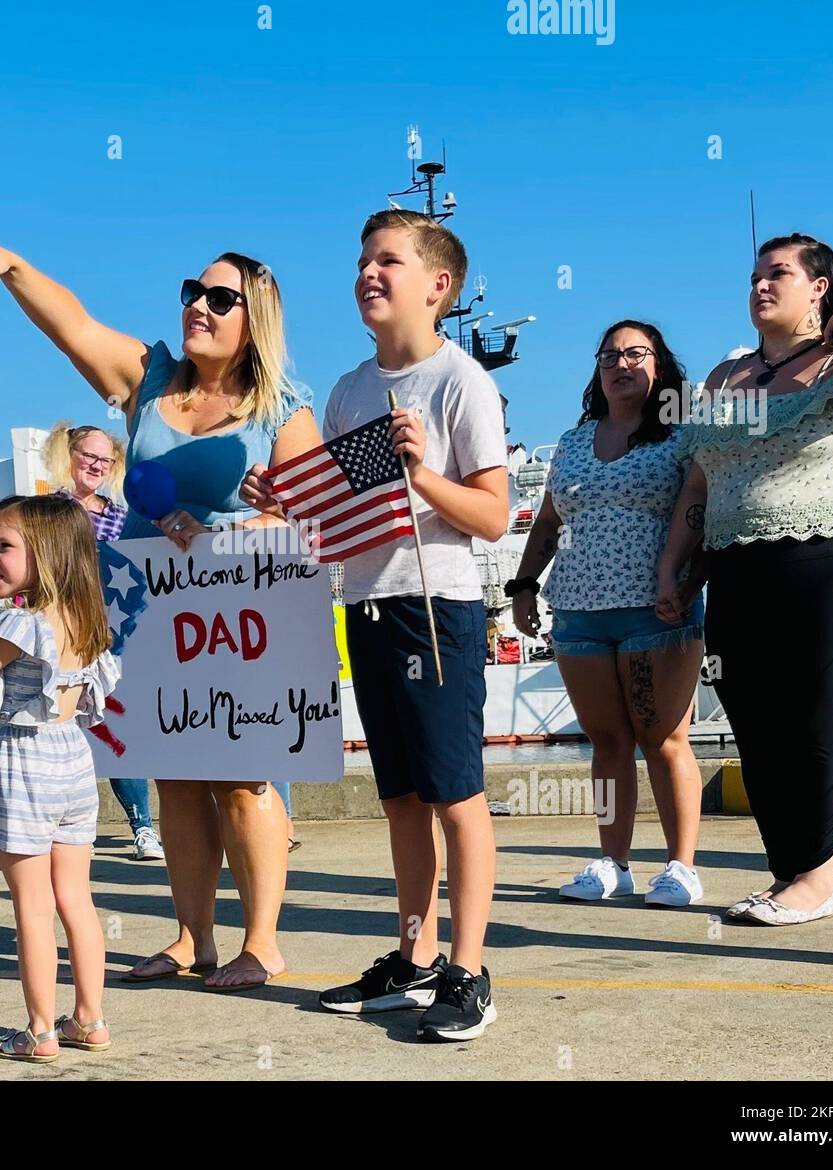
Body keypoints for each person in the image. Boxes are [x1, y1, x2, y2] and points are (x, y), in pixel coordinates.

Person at [0, 210, 323, 990]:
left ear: (255, 321)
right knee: (176, 776)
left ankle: (262, 942)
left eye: (220, 299)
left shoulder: (283, 406)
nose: (198, 305)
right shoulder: (150, 380)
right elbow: (74, 324)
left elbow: (316, 518)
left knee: (244, 779)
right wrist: (9, 263)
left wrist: (264, 515)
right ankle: (193, 939)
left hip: (243, 610)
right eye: (193, 291)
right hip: (154, 604)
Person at [248, 210, 508, 1040]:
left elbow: (495, 515)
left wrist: (422, 473)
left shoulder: (462, 382)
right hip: (363, 604)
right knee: (399, 797)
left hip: (436, 609)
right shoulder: (350, 391)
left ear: (439, 286)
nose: (367, 272)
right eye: (362, 259)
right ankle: (415, 956)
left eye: (387, 260)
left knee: (456, 796)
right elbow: (335, 513)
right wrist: (279, 502)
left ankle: (469, 969)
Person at [658, 233, 833, 926]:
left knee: (814, 710)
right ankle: (789, 875)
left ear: (821, 286)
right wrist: (673, 564)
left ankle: (818, 880)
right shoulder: (725, 378)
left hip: (832, 555)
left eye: (779, 274)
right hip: (737, 561)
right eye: (755, 275)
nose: (760, 285)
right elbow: (701, 477)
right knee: (754, 716)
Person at [510, 322, 707, 907]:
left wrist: (689, 580)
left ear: (660, 366)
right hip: (578, 611)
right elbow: (548, 522)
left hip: (658, 609)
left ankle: (681, 867)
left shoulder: (684, 437)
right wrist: (523, 584)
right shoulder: (572, 443)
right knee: (607, 742)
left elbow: (703, 514)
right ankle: (613, 861)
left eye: (635, 353)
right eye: (609, 355)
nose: (620, 364)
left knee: (665, 737)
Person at [0, 494, 118, 1061]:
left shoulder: (22, 621)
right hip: (73, 755)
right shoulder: (86, 616)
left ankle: (40, 1030)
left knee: (32, 906)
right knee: (76, 898)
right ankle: (89, 1019)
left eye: (3, 546)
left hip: (25, 759)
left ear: (46, 554)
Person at [40, 419, 164, 861]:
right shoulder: (45, 514)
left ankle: (142, 825)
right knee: (59, 734)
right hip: (61, 640)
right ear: (67, 456)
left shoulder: (121, 515)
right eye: (87, 456)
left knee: (116, 728)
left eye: (104, 460)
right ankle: (59, 827)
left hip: (116, 641)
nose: (95, 465)